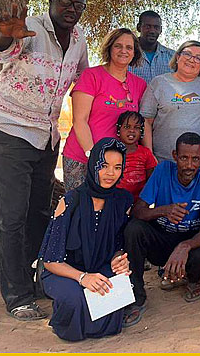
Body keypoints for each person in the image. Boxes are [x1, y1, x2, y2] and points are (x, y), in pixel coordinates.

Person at [0, 0, 89, 321]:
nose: (71, 10)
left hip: (46, 136)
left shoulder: (79, 40)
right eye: (66, 2)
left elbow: (85, 81)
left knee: (38, 212)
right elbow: (1, 48)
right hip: (9, 129)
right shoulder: (30, 28)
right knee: (12, 216)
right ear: (52, 1)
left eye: (78, 6)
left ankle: (37, 280)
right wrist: (3, 35)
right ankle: (17, 296)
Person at [39, 137, 133, 341]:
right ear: (93, 165)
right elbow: (50, 260)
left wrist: (119, 260)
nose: (110, 173)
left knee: (113, 295)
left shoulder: (123, 200)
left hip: (100, 267)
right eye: (104, 165)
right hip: (64, 271)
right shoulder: (70, 201)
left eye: (117, 167)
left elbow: (118, 245)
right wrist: (83, 277)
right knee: (75, 300)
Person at [123, 132, 200, 327]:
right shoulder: (163, 170)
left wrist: (184, 246)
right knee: (133, 229)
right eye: (184, 158)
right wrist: (164, 210)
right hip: (162, 240)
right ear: (175, 156)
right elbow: (138, 211)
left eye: (195, 159)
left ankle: (193, 279)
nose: (189, 165)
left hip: (189, 241)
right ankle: (136, 294)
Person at [62, 28, 147, 191]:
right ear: (109, 48)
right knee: (78, 205)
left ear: (134, 53)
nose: (123, 51)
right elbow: (80, 120)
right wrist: (93, 156)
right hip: (82, 158)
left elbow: (141, 124)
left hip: (115, 165)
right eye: (118, 46)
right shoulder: (91, 76)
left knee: (109, 207)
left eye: (129, 47)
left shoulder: (140, 85)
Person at [140, 40, 200, 163]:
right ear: (177, 57)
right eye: (187, 54)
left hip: (199, 163)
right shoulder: (159, 83)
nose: (191, 60)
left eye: (198, 58)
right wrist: (149, 155)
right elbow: (146, 121)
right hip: (164, 161)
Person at [115, 111, 158, 202]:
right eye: (127, 127)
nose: (132, 130)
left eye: (137, 127)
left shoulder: (146, 153)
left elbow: (151, 180)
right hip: (115, 200)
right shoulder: (112, 152)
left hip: (138, 201)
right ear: (119, 130)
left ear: (141, 131)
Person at [129, 10, 174, 84]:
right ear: (138, 27)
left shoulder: (172, 57)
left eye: (156, 27)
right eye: (148, 27)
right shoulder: (126, 55)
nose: (152, 31)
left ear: (161, 30)